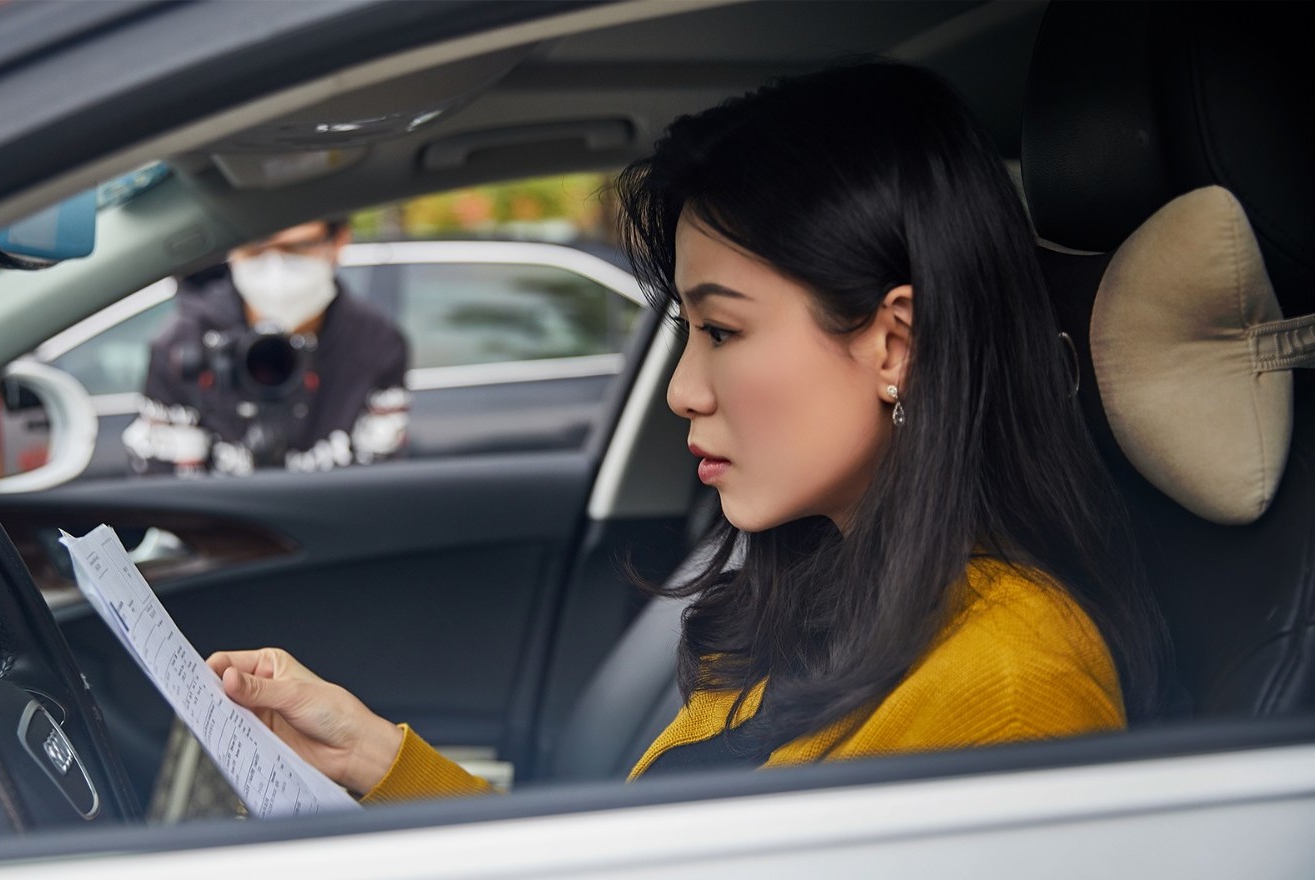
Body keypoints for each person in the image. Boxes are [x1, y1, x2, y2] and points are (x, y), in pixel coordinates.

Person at [206, 60, 1169, 802]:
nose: (682, 391)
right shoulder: (816, 588)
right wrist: (373, 756)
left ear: (894, 345)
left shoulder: (1013, 691)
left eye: (723, 331)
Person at [122, 219, 410, 476]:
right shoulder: (184, 343)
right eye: (255, 248)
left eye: (297, 247)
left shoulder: (376, 342)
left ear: (339, 241)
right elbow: (170, 489)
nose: (275, 267)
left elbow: (376, 476)